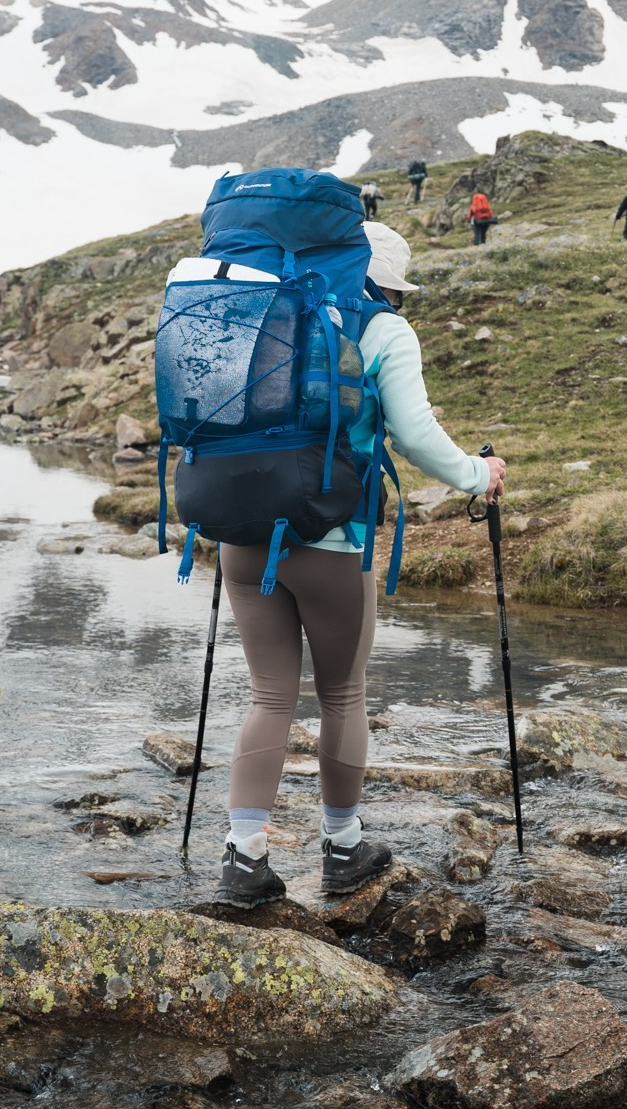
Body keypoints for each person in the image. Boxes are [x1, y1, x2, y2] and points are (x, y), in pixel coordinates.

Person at [217, 221, 507, 906]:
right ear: (382, 283)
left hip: (241, 531)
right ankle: (343, 848)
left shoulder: (266, 312)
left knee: (269, 696)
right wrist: (479, 474)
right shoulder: (383, 329)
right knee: (342, 694)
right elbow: (415, 434)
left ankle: (243, 857)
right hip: (331, 538)